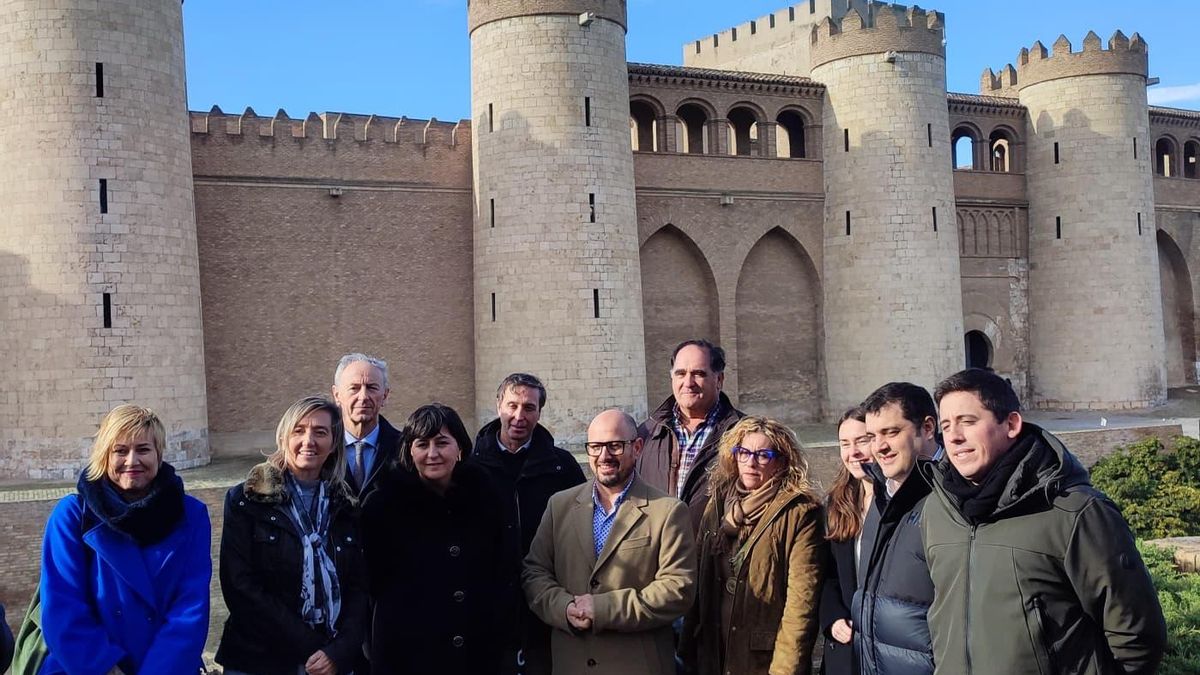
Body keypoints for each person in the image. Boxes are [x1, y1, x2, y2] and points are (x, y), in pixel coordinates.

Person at [922, 369, 1167, 675]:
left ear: (1011, 424)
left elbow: (1137, 638)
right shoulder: (937, 510)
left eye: (968, 422)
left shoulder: (1075, 512)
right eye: (946, 425)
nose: (954, 437)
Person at [38, 404, 211, 674]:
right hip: (85, 667)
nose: (132, 461)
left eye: (143, 449)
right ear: (104, 455)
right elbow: (62, 607)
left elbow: (190, 608)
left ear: (158, 454)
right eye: (120, 451)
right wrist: (105, 668)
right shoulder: (71, 515)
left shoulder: (190, 515)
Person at [523, 409, 697, 675]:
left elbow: (677, 589)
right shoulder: (559, 506)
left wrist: (602, 609)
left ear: (637, 447)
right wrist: (563, 608)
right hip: (572, 665)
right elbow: (534, 573)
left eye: (615, 445)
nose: (604, 456)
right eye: (595, 446)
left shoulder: (668, 511)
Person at [216, 396, 367, 675]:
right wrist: (313, 645)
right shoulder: (247, 500)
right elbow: (239, 586)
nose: (308, 441)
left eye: (320, 432)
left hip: (330, 662)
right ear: (284, 437)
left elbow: (359, 588)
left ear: (334, 442)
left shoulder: (346, 506)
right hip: (260, 660)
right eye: (299, 431)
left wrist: (340, 650)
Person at [362, 403, 516, 674]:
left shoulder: (487, 498)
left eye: (442, 443)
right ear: (410, 451)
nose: (432, 454)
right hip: (409, 655)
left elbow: (503, 571)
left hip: (478, 652)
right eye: (422, 444)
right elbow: (370, 587)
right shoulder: (383, 506)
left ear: (460, 448)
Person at [679, 416, 826, 675]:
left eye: (763, 455)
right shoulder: (719, 502)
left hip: (762, 659)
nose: (751, 462)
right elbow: (699, 579)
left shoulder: (800, 512)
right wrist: (686, 653)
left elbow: (801, 606)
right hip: (712, 654)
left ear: (781, 461)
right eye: (744, 453)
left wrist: (785, 670)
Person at [471, 373, 586, 675]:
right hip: (488, 606)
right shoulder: (470, 468)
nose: (519, 416)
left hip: (546, 605)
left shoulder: (562, 467)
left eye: (529, 408)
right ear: (498, 405)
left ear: (539, 412)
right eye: (512, 406)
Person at [855, 382, 940, 675]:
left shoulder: (955, 497)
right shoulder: (880, 494)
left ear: (927, 428)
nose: (879, 446)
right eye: (872, 436)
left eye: (891, 432)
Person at [639, 339, 745, 527]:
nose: (688, 383)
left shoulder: (744, 435)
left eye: (698, 374)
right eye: (680, 374)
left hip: (718, 544)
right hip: (658, 545)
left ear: (719, 380)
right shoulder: (646, 434)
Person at [818, 408, 874, 675]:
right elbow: (827, 574)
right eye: (845, 443)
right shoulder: (837, 504)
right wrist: (833, 617)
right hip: (846, 649)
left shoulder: (898, 502)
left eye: (862, 441)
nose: (853, 453)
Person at [331, 353, 401, 501]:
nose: (363, 397)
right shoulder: (322, 448)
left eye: (371, 387)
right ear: (337, 395)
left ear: (385, 396)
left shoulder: (404, 448)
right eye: (354, 388)